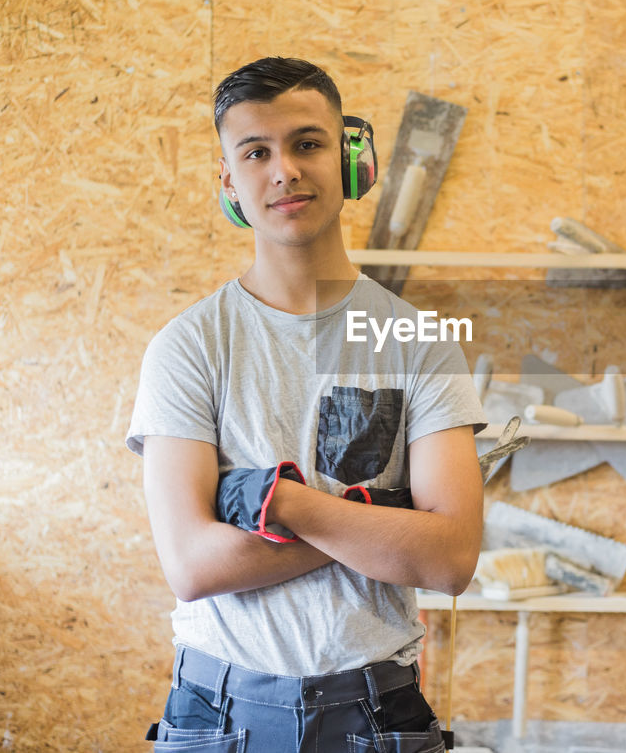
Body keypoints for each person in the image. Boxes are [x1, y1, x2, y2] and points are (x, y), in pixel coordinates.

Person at [126, 56, 486, 752]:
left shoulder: (418, 341)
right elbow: (194, 565)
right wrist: (382, 520)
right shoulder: (188, 347)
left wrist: (282, 505)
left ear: (355, 160)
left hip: (377, 712)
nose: (284, 169)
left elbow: (450, 559)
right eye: (256, 151)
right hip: (219, 712)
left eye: (307, 143)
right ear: (230, 180)